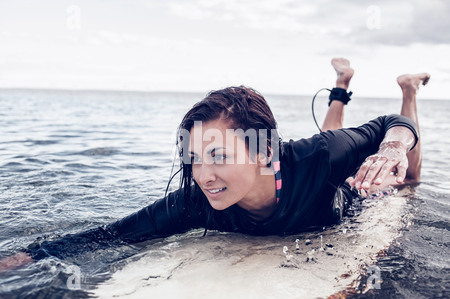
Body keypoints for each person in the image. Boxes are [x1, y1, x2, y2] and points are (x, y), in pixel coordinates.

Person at [0, 58, 430, 272]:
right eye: (196, 158)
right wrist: (25, 257)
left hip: (340, 181)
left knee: (409, 178)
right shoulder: (197, 201)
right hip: (316, 156)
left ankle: (408, 86)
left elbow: (392, 124)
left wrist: (393, 148)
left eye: (219, 156)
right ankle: (342, 84)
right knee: (333, 135)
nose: (204, 175)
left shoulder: (314, 158)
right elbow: (114, 235)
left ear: (263, 152)